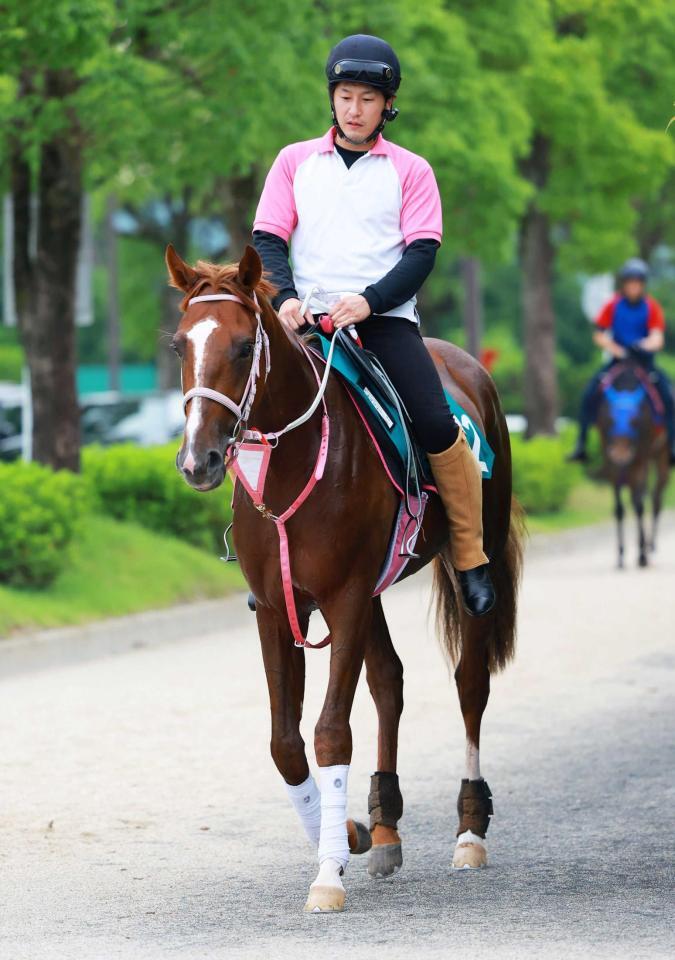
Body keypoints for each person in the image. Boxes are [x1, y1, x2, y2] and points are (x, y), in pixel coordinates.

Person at [252, 34, 494, 616]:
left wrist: (368, 301)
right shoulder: (293, 161)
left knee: (437, 422)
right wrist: (283, 296)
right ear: (331, 100)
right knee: (247, 416)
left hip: (382, 323)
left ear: (388, 105)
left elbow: (421, 254)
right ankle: (262, 558)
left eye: (367, 98)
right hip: (304, 323)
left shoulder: (412, 170)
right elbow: (268, 238)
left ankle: (468, 554)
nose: (354, 108)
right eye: (345, 96)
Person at [568, 258, 675, 464]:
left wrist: (643, 344)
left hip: (644, 362)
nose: (633, 287)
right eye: (630, 282)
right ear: (624, 284)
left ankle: (671, 445)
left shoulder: (651, 307)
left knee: (668, 396)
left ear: (642, 285)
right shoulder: (613, 305)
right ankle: (581, 444)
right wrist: (617, 349)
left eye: (637, 283)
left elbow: (657, 337)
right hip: (618, 360)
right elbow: (599, 335)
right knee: (589, 393)